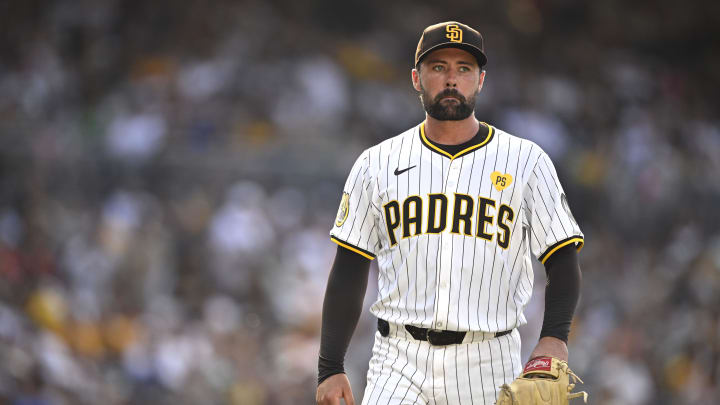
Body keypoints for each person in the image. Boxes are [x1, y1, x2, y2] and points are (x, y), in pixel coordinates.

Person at [316, 21, 584, 405]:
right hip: (398, 358)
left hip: (488, 359)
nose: (451, 79)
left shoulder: (527, 161)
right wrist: (330, 366)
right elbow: (349, 267)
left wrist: (554, 337)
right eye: (438, 67)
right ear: (416, 77)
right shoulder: (376, 163)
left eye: (464, 68)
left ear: (481, 80)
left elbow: (562, 257)